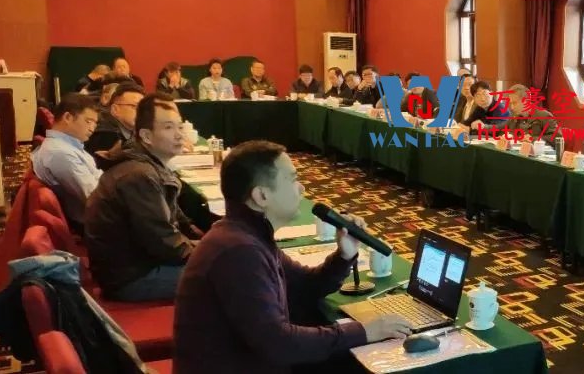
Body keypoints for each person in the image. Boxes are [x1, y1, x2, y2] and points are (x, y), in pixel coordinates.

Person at [174, 140, 411, 373]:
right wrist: (364, 331)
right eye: (292, 179)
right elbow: (278, 344)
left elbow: (306, 286)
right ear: (261, 196)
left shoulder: (246, 235)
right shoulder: (238, 251)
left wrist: (344, 255)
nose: (302, 188)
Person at [84, 93, 200, 301]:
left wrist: (205, 242)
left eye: (180, 127)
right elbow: (164, 243)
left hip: (139, 263)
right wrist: (209, 252)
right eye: (168, 128)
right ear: (146, 136)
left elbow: (174, 226)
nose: (179, 135)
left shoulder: (147, 164)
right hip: (131, 277)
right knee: (230, 273)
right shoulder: (139, 175)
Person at [31, 93, 102, 234]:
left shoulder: (67, 146)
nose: (92, 128)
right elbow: (95, 197)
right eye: (88, 121)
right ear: (68, 117)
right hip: (92, 225)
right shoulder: (61, 153)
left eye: (95, 123)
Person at [85, 84, 144, 170]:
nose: (141, 112)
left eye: (143, 108)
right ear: (115, 109)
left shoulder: (132, 132)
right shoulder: (106, 134)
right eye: (135, 107)